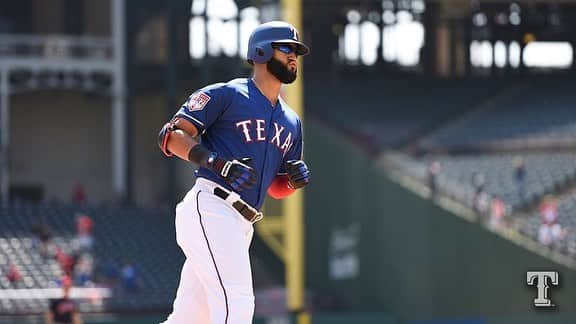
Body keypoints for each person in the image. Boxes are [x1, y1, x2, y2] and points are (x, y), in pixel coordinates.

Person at [158, 21, 311, 324]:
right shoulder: (228, 95)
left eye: (296, 51)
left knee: (189, 318)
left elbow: (276, 189)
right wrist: (216, 162)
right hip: (212, 207)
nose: (293, 56)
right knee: (237, 302)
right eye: (286, 48)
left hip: (242, 222)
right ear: (261, 51)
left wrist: (292, 182)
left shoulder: (292, 122)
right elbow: (171, 137)